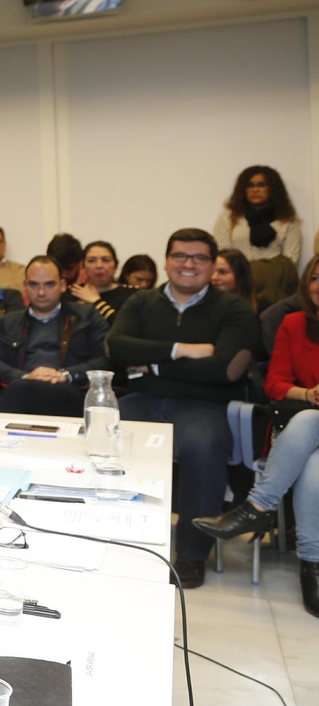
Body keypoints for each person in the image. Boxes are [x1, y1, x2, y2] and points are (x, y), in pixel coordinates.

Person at [108, 228, 259, 587]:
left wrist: (153, 364)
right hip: (141, 400)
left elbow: (227, 368)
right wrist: (183, 350)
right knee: (100, 436)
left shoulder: (233, 308)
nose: (188, 264)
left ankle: (191, 556)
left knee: (203, 449)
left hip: (203, 406)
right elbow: (117, 348)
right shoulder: (142, 302)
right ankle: (112, 539)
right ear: (166, 260)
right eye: (180, 256)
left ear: (212, 264)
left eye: (199, 258)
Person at [195, 254, 319, 617]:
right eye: (315, 278)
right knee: (313, 459)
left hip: (303, 429)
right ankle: (312, 567)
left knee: (310, 425)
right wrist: (309, 394)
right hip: (303, 431)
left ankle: (255, 508)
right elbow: (275, 383)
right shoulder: (294, 324)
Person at [0, 256, 110, 416]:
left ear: (63, 285)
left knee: (21, 389)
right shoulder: (9, 321)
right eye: (34, 284)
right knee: (22, 388)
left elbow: (105, 360)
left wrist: (65, 375)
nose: (41, 292)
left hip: (69, 393)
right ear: (25, 286)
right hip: (20, 394)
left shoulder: (87, 316)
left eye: (49, 284)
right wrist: (25, 376)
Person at [214, 165, 303, 311]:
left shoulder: (287, 221)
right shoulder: (229, 217)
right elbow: (222, 252)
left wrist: (263, 273)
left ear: (272, 188)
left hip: (274, 289)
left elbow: (290, 261)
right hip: (238, 284)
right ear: (243, 190)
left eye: (261, 185)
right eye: (250, 185)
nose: (255, 190)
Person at [68, 240, 135, 325]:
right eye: (91, 261)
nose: (99, 266)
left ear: (116, 266)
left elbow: (126, 327)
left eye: (106, 260)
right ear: (83, 266)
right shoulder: (72, 293)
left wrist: (97, 302)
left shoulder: (131, 296)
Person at [212, 248, 259, 314]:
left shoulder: (262, 309)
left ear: (240, 274)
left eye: (223, 272)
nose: (214, 277)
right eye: (211, 272)